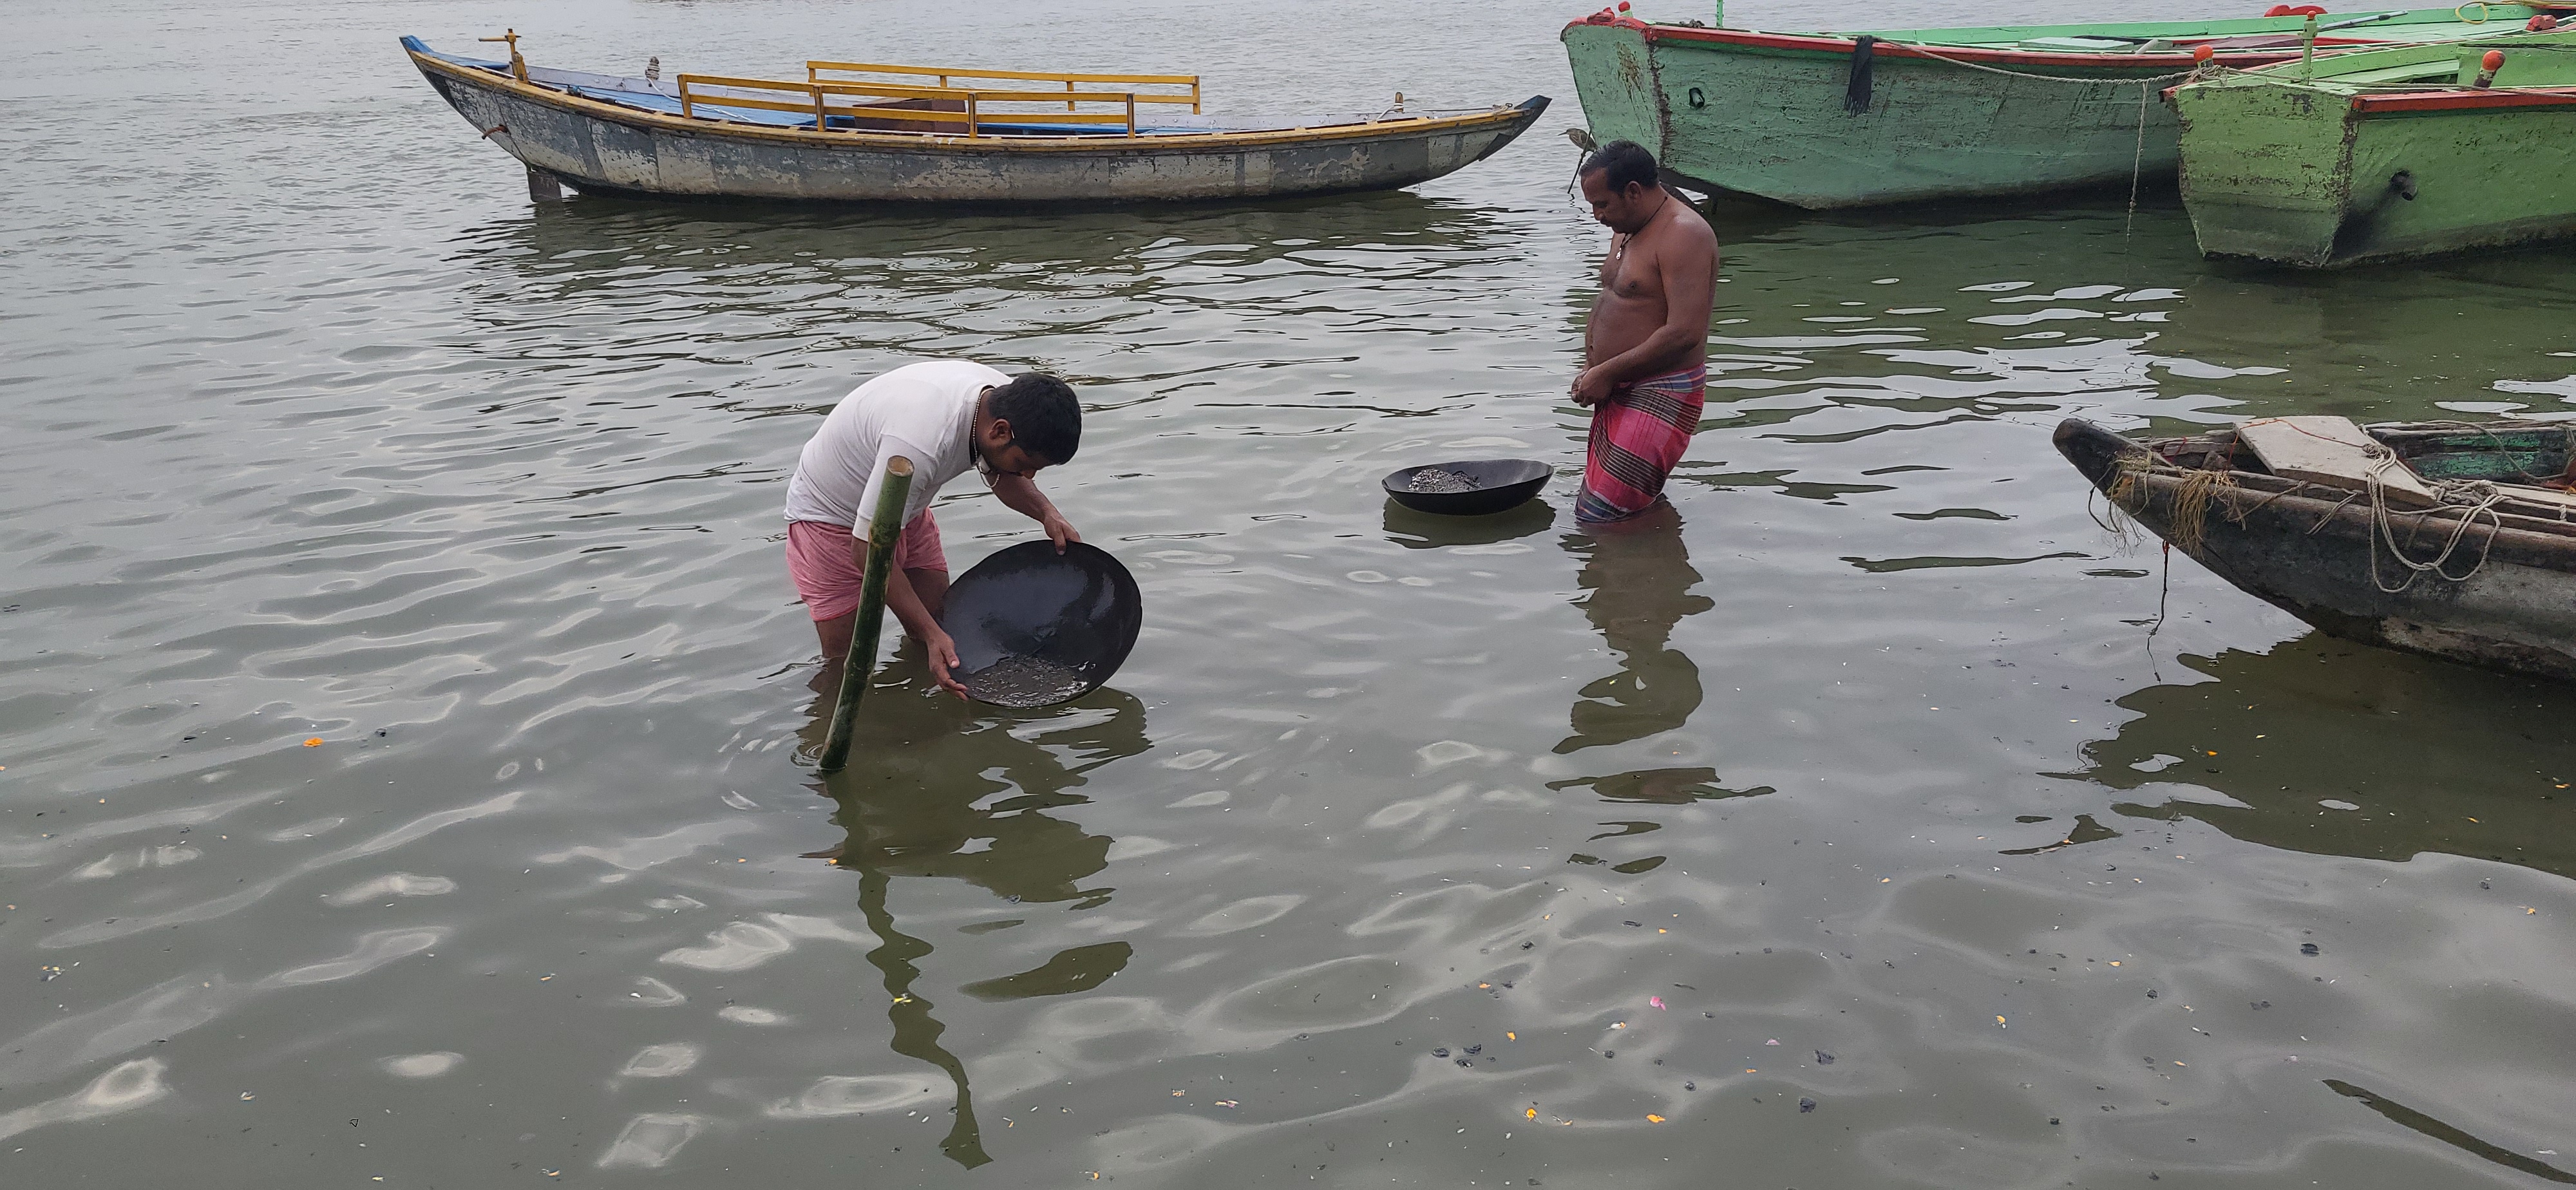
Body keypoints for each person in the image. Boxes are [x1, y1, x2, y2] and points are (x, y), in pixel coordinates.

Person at [784, 361, 1082, 695]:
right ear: (999, 431)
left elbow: (1000, 472)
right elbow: (867, 550)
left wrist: (1047, 514)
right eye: (1025, 465)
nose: (1029, 477)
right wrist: (929, 634)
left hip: (907, 507)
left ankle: (922, 711)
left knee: (941, 623)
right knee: (846, 663)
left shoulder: (1004, 399)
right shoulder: (921, 440)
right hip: (831, 520)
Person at [1572, 140, 1720, 525]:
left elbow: (1685, 332)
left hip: (1661, 389)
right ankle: (1656, 545)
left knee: (1600, 516)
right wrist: (1595, 370)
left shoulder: (1684, 234)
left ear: (1634, 192)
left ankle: (1646, 577)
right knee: (1616, 507)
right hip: (1618, 385)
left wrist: (1605, 372)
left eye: (1602, 204)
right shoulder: (1627, 227)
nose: (1596, 215)